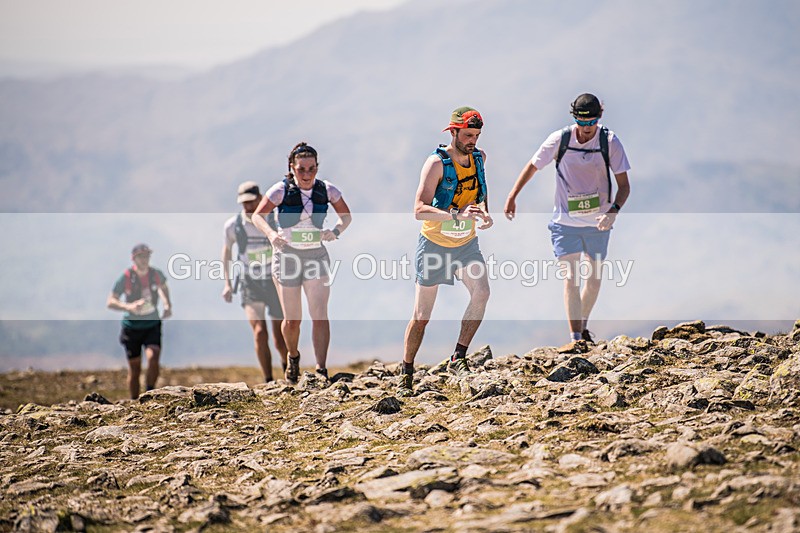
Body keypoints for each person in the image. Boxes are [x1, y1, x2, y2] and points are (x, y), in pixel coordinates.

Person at [504, 93, 631, 349]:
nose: (586, 130)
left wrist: (614, 211)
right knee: (571, 280)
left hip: (598, 223)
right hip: (565, 223)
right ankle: (576, 339)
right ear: (574, 118)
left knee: (593, 281)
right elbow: (532, 166)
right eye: (581, 123)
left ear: (599, 117)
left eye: (591, 123)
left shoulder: (609, 141)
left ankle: (582, 325)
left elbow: (624, 185)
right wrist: (513, 195)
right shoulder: (560, 139)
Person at [399, 106, 494, 396]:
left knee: (482, 292)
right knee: (422, 315)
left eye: (476, 135)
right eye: (467, 134)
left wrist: (485, 215)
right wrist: (455, 215)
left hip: (466, 244)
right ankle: (406, 372)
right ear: (452, 131)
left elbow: (479, 195)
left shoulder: (479, 158)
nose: (472, 141)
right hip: (434, 245)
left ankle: (459, 357)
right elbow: (418, 210)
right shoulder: (436, 164)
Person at [252, 142, 352, 383]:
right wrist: (271, 234)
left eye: (312, 169)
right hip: (287, 256)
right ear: (292, 168)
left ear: (317, 168)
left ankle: (321, 368)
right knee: (292, 319)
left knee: (319, 314)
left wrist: (335, 232)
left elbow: (346, 216)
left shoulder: (327, 190)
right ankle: (293, 356)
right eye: (301, 169)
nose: (307, 174)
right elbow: (257, 215)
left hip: (315, 256)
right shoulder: (280, 190)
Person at [222, 181, 288, 382]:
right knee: (259, 332)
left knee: (279, 336)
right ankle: (268, 379)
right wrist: (227, 283)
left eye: (251, 202)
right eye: (244, 203)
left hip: (275, 280)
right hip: (250, 282)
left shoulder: (274, 220)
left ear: (260, 199)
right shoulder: (234, 226)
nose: (248, 207)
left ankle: (288, 371)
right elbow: (226, 253)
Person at [107, 243, 172, 398]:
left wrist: (167, 305)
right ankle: (134, 401)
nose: (145, 259)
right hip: (132, 327)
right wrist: (128, 307)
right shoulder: (126, 277)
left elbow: (163, 288)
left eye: (147, 256)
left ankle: (149, 392)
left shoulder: (155, 274)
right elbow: (111, 301)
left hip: (152, 324)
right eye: (141, 256)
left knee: (153, 356)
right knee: (135, 368)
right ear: (134, 259)